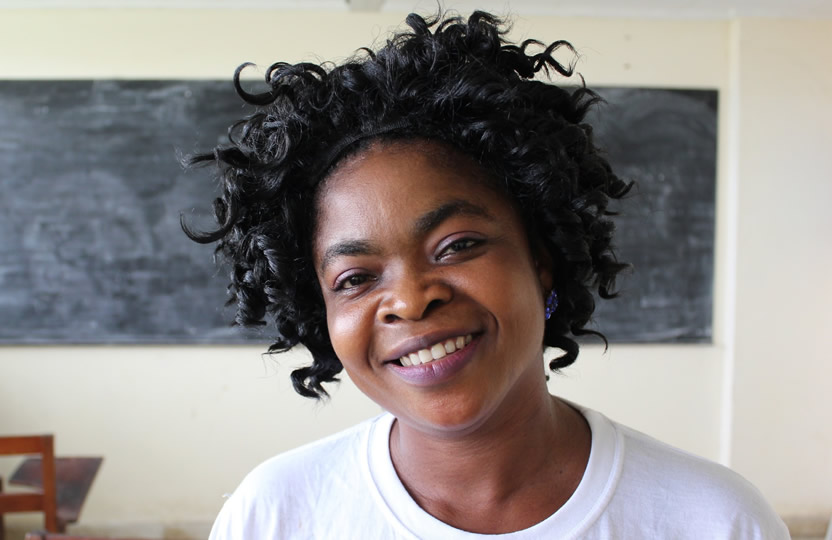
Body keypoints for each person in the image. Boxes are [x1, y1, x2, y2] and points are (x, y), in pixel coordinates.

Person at [184, 9, 790, 539]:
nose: (411, 301)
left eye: (457, 245)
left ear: (542, 259)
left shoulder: (713, 520)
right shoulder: (274, 515)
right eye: (355, 278)